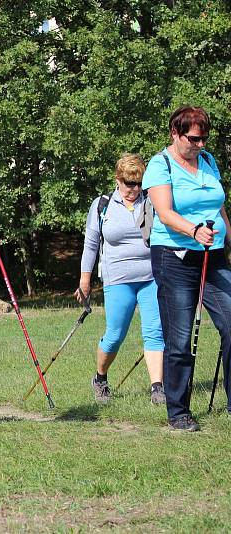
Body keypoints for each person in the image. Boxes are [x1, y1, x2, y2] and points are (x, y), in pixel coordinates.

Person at [144, 105, 231, 432]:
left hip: (215, 255)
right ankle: (178, 411)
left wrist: (228, 239)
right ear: (175, 134)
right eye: (194, 139)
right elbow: (164, 213)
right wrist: (193, 230)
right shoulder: (160, 164)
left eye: (204, 138)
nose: (200, 145)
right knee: (181, 336)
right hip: (175, 257)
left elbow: (219, 208)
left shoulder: (208, 162)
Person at [76, 154, 165, 405]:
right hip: (118, 279)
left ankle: (157, 388)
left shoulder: (151, 201)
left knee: (154, 332)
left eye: (139, 184)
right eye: (129, 183)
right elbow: (91, 244)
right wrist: (85, 280)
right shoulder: (102, 205)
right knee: (115, 334)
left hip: (151, 277)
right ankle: (100, 378)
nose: (134, 190)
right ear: (118, 179)